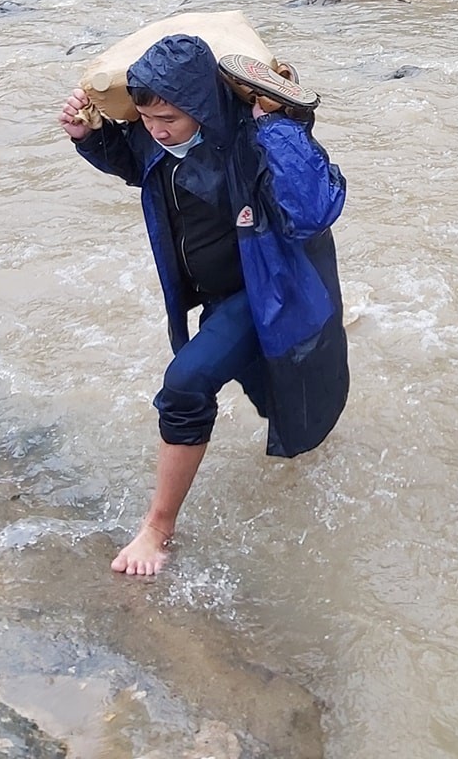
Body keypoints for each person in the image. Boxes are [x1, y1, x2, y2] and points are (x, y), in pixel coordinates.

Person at [60, 35, 348, 575]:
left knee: (185, 387)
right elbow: (134, 160)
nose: (156, 129)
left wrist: (280, 126)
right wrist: (90, 138)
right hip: (218, 300)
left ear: (202, 105)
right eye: (146, 117)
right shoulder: (161, 139)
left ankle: (157, 530)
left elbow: (315, 209)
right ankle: (314, 460)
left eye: (168, 116)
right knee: (281, 408)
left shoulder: (259, 141)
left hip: (269, 292)